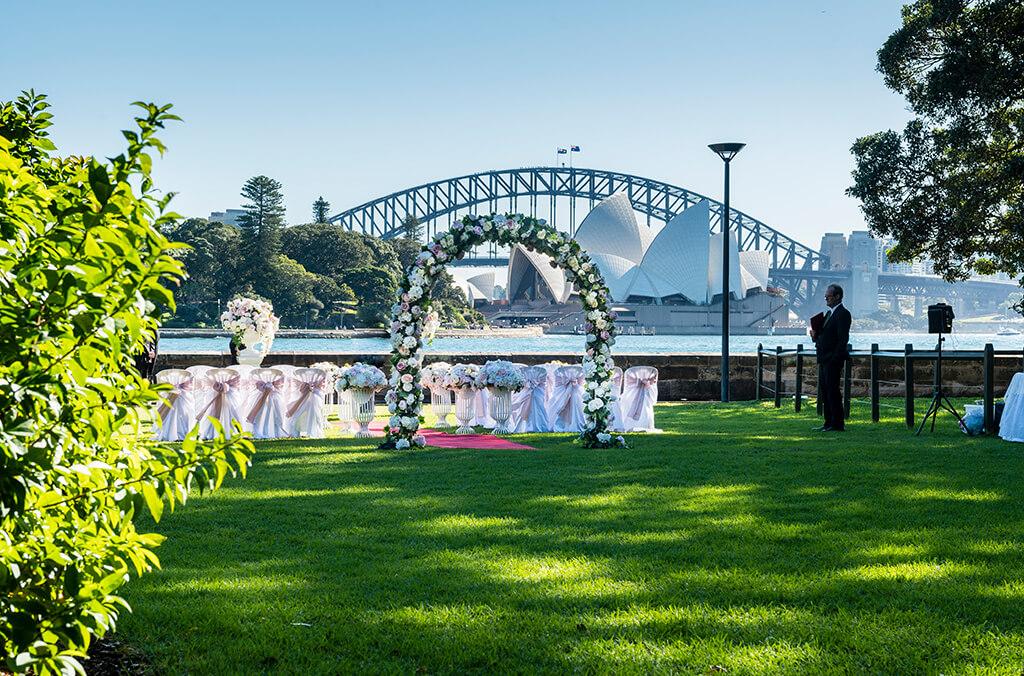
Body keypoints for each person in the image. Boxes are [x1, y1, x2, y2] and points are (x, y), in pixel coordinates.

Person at [810, 284, 852, 432]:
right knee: (825, 391)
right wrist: (815, 337)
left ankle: (837, 424)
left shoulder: (843, 314)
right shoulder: (829, 314)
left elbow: (842, 340)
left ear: (837, 296)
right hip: (824, 358)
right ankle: (828, 422)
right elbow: (824, 337)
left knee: (833, 391)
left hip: (832, 360)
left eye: (828, 296)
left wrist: (835, 358)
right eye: (826, 296)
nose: (826, 299)